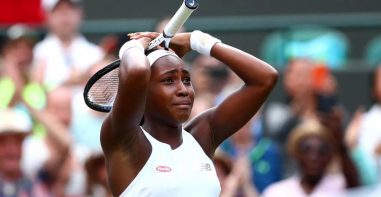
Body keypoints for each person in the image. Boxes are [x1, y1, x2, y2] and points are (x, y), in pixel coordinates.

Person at [97, 30, 278, 197]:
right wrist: (135, 45)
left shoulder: (202, 135)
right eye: (168, 80)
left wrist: (196, 40)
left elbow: (265, 78)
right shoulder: (123, 138)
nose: (183, 89)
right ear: (143, 90)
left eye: (186, 79)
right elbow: (137, 71)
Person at [32, 0, 103, 90]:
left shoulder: (95, 52)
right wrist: (68, 82)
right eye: (59, 10)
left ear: (80, 13)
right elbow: (37, 92)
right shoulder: (39, 51)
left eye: (70, 9)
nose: (65, 15)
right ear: (47, 15)